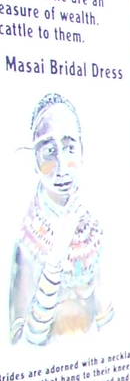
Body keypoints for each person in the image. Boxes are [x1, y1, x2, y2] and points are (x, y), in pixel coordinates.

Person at [9, 91, 110, 345]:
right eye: (49, 151)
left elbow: (107, 322)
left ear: (82, 151)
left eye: (68, 148)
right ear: (35, 159)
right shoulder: (25, 241)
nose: (61, 165)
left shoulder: (92, 230)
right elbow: (23, 343)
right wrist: (54, 259)